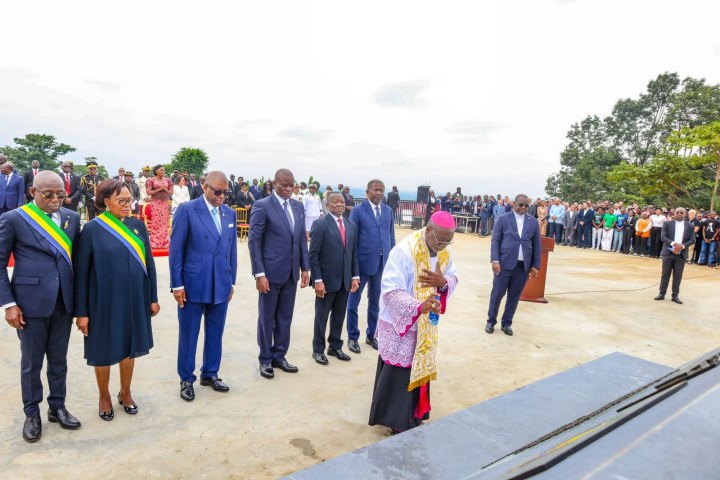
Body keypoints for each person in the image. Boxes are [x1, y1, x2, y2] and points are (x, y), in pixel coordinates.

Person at [0, 171, 82, 442]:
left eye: (60, 194)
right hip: (29, 304)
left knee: (59, 361)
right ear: (33, 192)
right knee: (31, 363)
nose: (56, 199)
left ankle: (57, 407)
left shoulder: (72, 218)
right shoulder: (14, 218)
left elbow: (77, 261)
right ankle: (32, 413)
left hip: (63, 302)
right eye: (48, 194)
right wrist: (9, 304)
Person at [74, 180, 159, 420]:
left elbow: (149, 264)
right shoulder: (92, 229)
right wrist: (82, 312)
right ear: (106, 201)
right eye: (121, 201)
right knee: (102, 347)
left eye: (129, 200)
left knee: (129, 346)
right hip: (102, 301)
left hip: (134, 298)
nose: (127, 205)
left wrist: (152, 297)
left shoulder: (137, 226)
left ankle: (126, 392)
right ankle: (104, 396)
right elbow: (81, 274)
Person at [368, 211, 458, 433]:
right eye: (440, 241)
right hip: (403, 320)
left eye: (448, 242)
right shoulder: (404, 251)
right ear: (429, 230)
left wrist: (443, 282)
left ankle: (415, 414)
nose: (443, 246)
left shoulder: (445, 250)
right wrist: (418, 306)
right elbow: (390, 289)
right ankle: (396, 420)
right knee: (399, 371)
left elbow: (453, 276)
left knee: (419, 363)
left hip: (426, 322)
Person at [169, 171, 237, 401]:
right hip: (193, 283)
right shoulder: (187, 210)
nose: (222, 196)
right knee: (189, 333)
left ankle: (210, 373)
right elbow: (176, 250)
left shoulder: (228, 213)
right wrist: (177, 285)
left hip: (220, 282)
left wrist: (231, 280)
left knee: (216, 331)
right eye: (217, 191)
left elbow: (231, 250)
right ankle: (186, 378)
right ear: (205, 187)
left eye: (225, 192)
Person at [248, 168, 310, 379]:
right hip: (270, 273)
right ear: (274, 183)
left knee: (285, 317)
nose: (288, 189)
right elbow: (254, 241)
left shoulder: (297, 206)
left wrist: (305, 267)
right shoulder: (262, 205)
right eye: (284, 185)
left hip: (291, 273)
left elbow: (300, 239)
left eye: (291, 185)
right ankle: (265, 358)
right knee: (267, 318)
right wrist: (259, 273)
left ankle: (279, 355)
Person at [309, 193, 360, 365]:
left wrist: (355, 276)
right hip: (326, 281)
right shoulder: (320, 224)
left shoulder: (351, 225)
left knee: (339, 315)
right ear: (327, 204)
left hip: (345, 281)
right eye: (335, 202)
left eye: (342, 202)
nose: (339, 204)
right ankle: (318, 350)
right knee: (321, 317)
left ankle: (335, 346)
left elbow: (353, 253)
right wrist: (317, 280)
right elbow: (313, 255)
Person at [346, 179, 396, 354]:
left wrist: (391, 259)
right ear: (367, 192)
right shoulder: (358, 211)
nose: (379, 193)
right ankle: (352, 337)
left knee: (375, 302)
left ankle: (372, 334)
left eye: (381, 190)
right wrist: (352, 266)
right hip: (361, 264)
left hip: (382, 263)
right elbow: (351, 238)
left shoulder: (388, 211)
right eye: (375, 190)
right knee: (353, 302)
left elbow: (391, 237)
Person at [485, 194, 541, 336]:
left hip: (523, 267)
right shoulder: (503, 219)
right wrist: (495, 260)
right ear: (514, 204)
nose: (523, 208)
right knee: (497, 294)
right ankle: (491, 321)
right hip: (504, 264)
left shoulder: (533, 222)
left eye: (526, 206)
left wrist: (536, 265)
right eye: (521, 205)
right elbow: (495, 240)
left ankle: (507, 323)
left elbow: (537, 245)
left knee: (514, 297)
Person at [654, 208, 694, 304]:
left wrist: (681, 246)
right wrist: (674, 244)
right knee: (665, 274)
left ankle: (675, 295)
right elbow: (663, 237)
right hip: (668, 253)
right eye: (677, 212)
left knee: (678, 276)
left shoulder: (690, 225)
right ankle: (662, 293)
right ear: (674, 213)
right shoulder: (667, 224)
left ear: (685, 214)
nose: (679, 214)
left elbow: (692, 239)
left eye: (681, 212)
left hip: (681, 254)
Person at [144, 165, 173, 249]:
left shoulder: (168, 180)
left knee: (164, 223)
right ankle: (155, 243)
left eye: (164, 170)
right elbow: (148, 192)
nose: (163, 172)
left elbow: (171, 192)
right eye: (161, 170)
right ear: (156, 171)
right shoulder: (151, 180)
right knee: (156, 222)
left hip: (164, 203)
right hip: (155, 203)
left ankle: (164, 243)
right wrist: (159, 189)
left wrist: (165, 189)